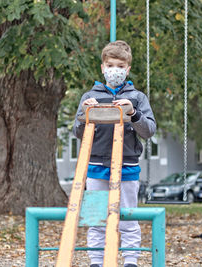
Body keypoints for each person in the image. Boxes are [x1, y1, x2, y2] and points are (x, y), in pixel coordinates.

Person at [73, 40, 156, 267]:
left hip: (127, 166)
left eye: (120, 66)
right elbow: (77, 132)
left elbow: (149, 130)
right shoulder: (90, 96)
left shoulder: (137, 97)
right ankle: (96, 262)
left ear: (127, 68)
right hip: (96, 167)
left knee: (128, 217)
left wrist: (134, 112)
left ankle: (130, 261)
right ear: (103, 67)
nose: (115, 70)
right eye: (111, 65)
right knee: (96, 218)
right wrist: (85, 112)